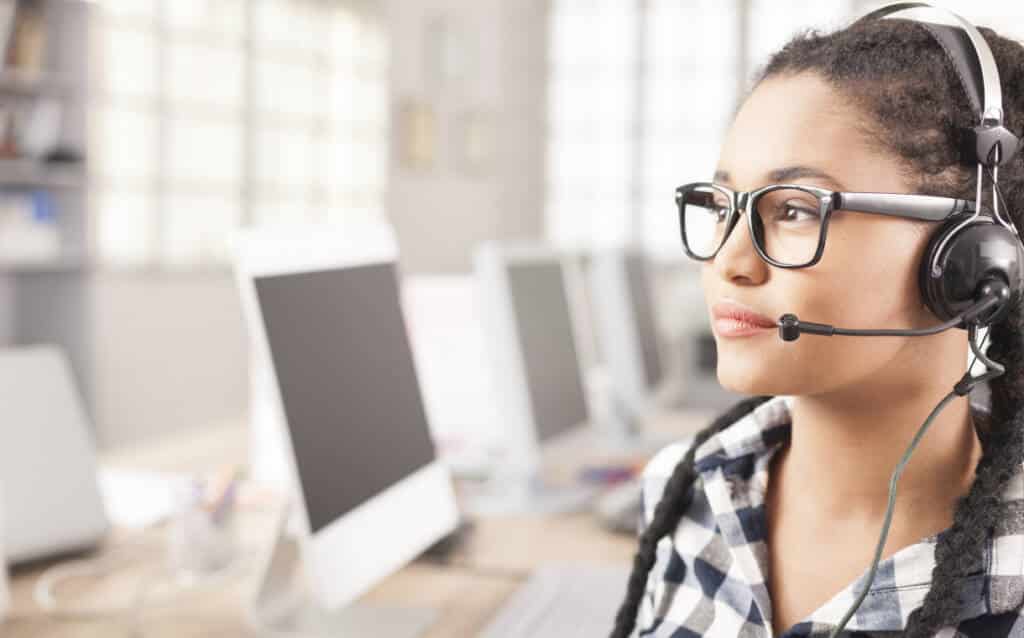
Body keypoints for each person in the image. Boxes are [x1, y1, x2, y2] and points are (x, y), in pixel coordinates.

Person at [610, 9, 1024, 638]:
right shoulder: (685, 488)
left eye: (797, 210)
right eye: (723, 206)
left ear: (969, 256)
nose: (730, 262)